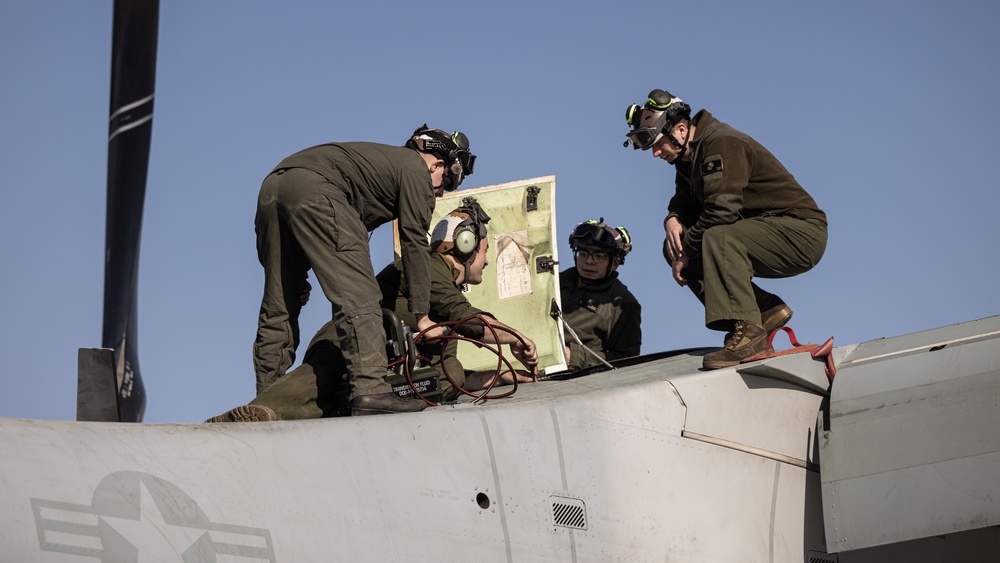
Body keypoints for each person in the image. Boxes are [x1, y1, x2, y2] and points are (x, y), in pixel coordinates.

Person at [217, 202, 538, 421]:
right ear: (466, 244)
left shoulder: (445, 291)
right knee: (320, 379)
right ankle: (255, 414)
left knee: (449, 371)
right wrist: (515, 339)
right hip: (346, 340)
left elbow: (446, 372)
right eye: (484, 251)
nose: (487, 260)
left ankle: (273, 418)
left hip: (384, 364)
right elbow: (466, 318)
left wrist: (505, 376)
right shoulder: (428, 266)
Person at [252, 124, 476, 416]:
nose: (441, 191)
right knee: (361, 295)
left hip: (274, 186)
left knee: (280, 304)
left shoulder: (380, 163)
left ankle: (267, 400)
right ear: (437, 163)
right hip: (318, 189)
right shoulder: (415, 169)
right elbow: (414, 243)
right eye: (445, 181)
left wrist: (296, 277)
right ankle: (370, 391)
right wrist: (422, 316)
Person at [624, 88, 828, 369]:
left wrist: (688, 251)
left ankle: (750, 331)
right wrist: (673, 219)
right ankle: (763, 311)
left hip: (801, 233)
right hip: (760, 229)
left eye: (658, 144)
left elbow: (721, 212)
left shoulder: (719, 143)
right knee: (674, 246)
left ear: (681, 129)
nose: (656, 153)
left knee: (715, 237)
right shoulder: (687, 157)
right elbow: (684, 204)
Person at [559, 219, 641, 371]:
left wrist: (575, 357)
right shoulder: (553, 282)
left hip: (572, 382)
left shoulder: (623, 304)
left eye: (599, 256)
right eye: (583, 253)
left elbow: (627, 361)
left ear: (615, 263)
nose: (589, 261)